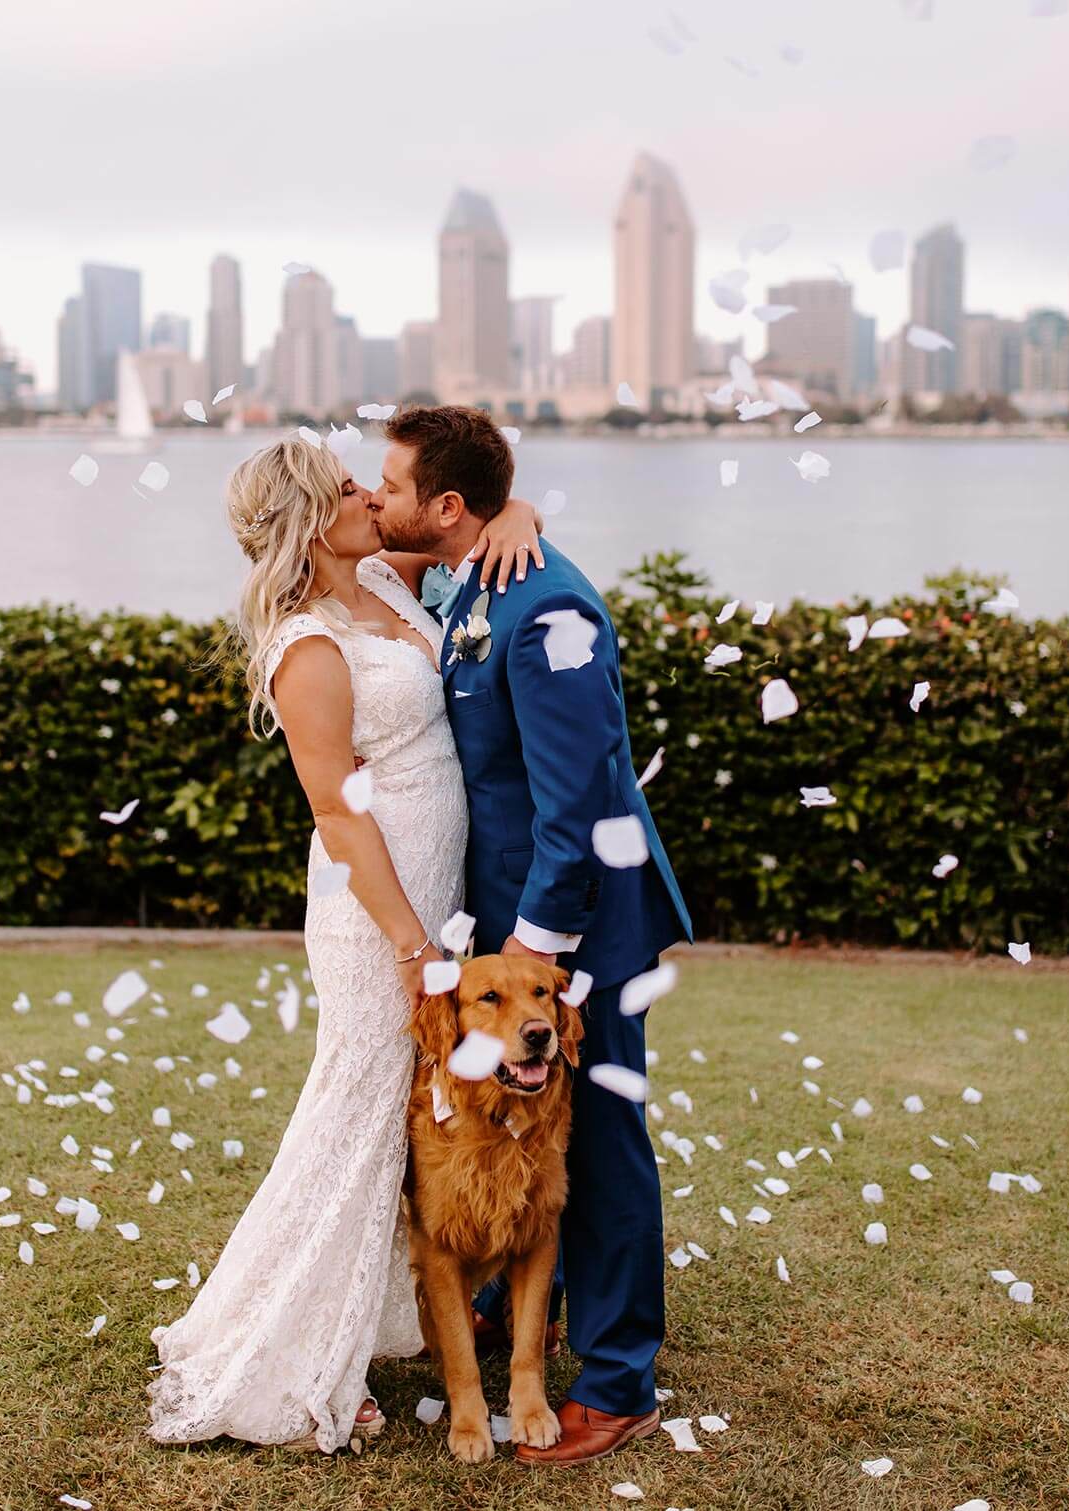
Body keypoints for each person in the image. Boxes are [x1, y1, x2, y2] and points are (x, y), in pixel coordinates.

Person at [144, 433, 543, 1454]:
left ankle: (359, 1317)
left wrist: (519, 516)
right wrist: (411, 944)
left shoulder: (378, 574)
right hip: (379, 912)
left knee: (390, 1118)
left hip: (435, 886)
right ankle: (290, 1349)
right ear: (313, 519)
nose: (372, 492)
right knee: (358, 1115)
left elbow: (471, 527)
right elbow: (337, 809)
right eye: (349, 487)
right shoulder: (307, 644)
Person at [368, 405, 693, 1467]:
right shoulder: (472, 575)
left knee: (596, 1145)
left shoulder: (546, 601)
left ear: (446, 507)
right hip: (504, 933)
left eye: (392, 484)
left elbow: (580, 807)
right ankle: (532, 1315)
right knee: (513, 1127)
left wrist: (538, 960)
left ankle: (616, 1381)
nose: (377, 499)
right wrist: (518, 511)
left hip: (571, 929)